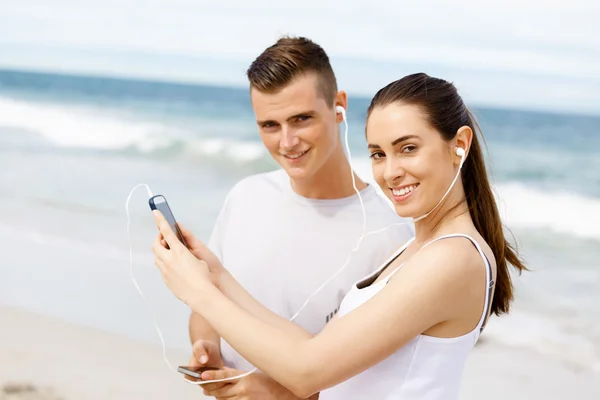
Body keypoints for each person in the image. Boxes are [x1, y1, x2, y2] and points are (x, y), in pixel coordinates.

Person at [154, 72, 527, 399]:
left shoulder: (453, 258)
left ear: (459, 145)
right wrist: (217, 277)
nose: (391, 171)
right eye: (378, 154)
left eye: (408, 148)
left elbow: (306, 372)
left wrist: (198, 293)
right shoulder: (417, 249)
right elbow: (316, 349)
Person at [184, 36, 414, 399]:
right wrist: (205, 345)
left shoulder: (388, 239)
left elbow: (371, 387)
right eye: (270, 126)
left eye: (301, 119)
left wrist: (274, 392)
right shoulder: (246, 196)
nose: (287, 142)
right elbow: (210, 305)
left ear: (338, 106)